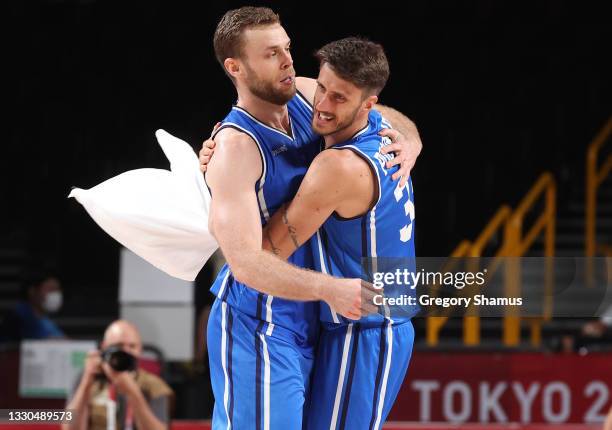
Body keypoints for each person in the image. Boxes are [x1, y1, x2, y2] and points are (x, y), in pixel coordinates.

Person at [203, 6, 422, 429]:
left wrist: (410, 141)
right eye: (270, 54)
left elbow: (375, 110)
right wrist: (329, 288)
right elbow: (245, 263)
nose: (287, 60)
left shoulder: (307, 95)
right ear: (236, 67)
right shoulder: (234, 148)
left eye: (286, 48)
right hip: (260, 320)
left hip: (311, 317)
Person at [63, 320, 173, 430]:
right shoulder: (86, 377)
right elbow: (68, 428)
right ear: (104, 347)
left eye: (132, 346)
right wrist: (86, 381)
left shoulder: (154, 385)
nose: (126, 352)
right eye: (118, 346)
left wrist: (133, 393)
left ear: (140, 350)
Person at [0, 269, 65, 342]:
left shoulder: (45, 320)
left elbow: (62, 340)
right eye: (50, 289)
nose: (55, 294)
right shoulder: (19, 316)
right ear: (32, 291)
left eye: (57, 289)